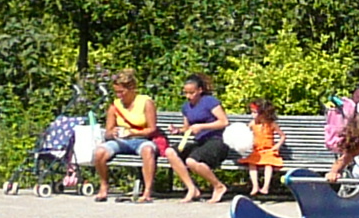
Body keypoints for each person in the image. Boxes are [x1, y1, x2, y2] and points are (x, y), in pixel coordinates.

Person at [100, 71, 184, 203]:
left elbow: (152, 129)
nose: (119, 95)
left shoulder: (145, 102)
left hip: (143, 139)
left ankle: (147, 191)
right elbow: (107, 131)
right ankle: (104, 186)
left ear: (131, 88)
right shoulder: (115, 106)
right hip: (121, 141)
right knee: (99, 152)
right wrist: (113, 132)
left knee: (148, 151)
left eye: (122, 92)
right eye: (116, 92)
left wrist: (133, 132)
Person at [176, 74, 235, 203]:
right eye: (186, 93)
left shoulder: (209, 101)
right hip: (200, 142)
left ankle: (218, 186)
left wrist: (202, 127)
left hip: (217, 141)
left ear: (199, 90)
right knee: (171, 152)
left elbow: (224, 122)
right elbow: (187, 128)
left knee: (191, 161)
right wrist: (178, 130)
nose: (188, 96)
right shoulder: (186, 107)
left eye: (191, 93)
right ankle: (192, 188)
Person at [239, 97, 287, 199]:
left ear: (263, 113)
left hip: (269, 150)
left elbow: (282, 136)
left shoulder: (270, 124)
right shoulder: (252, 124)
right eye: (252, 112)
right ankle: (255, 185)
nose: (253, 115)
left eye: (255, 112)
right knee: (252, 163)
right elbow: (245, 134)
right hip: (258, 151)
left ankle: (265, 186)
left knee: (268, 164)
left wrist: (277, 146)